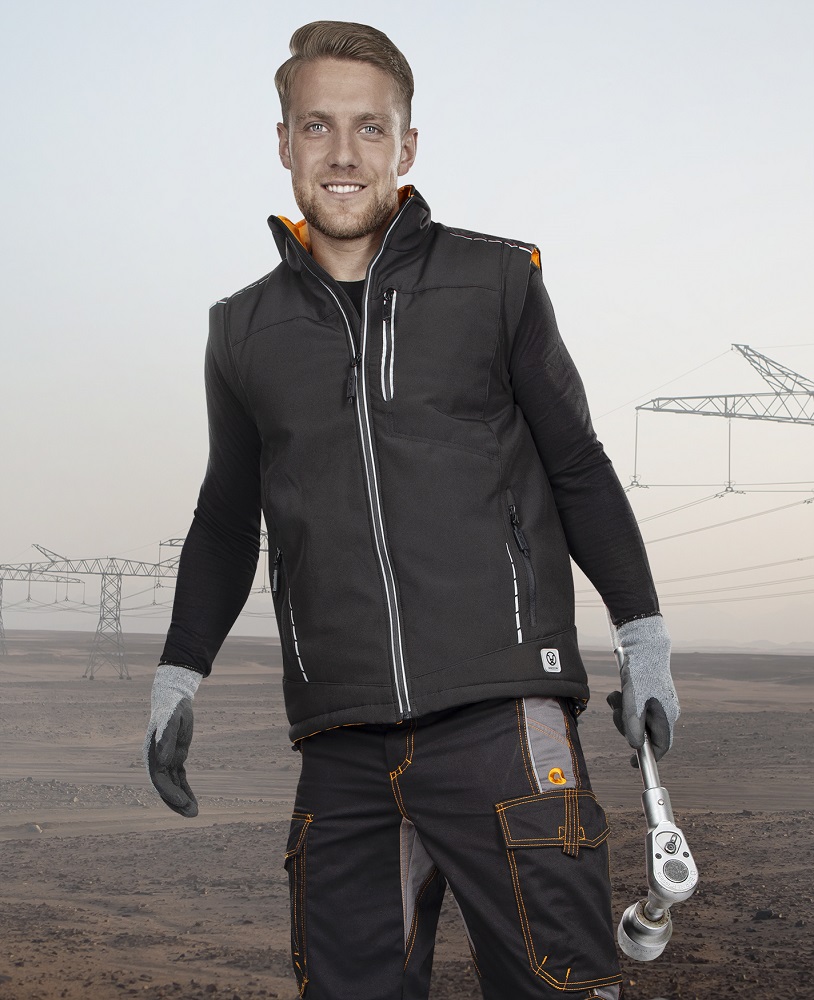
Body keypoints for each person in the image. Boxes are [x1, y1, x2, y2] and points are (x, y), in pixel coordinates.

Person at [144, 20, 679, 1000]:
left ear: (407, 145)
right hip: (340, 745)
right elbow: (225, 517)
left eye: (370, 128)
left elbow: (578, 464)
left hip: (503, 725)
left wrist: (643, 642)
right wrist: (178, 677)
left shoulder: (498, 282)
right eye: (317, 126)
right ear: (284, 143)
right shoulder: (242, 331)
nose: (343, 154)